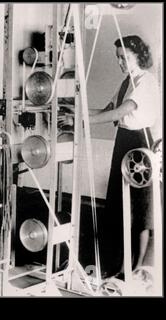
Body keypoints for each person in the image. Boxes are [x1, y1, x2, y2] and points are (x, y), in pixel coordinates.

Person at [59, 35, 161, 278]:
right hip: (123, 141)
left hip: (139, 145)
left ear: (138, 55)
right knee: (119, 204)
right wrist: (76, 109)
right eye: (118, 58)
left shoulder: (146, 81)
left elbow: (122, 111)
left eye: (125, 58)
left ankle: (136, 269)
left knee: (139, 207)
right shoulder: (127, 81)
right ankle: (120, 265)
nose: (121, 63)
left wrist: (79, 120)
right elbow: (106, 111)